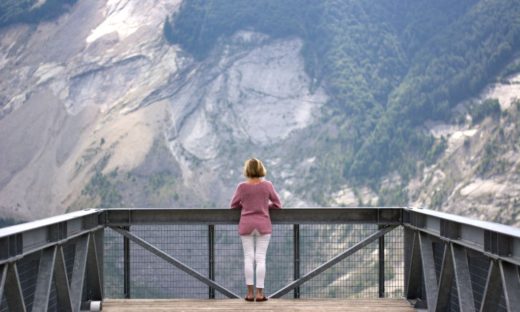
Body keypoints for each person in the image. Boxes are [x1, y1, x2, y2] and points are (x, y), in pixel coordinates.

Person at [230, 158, 282, 302]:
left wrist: (246, 206)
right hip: (263, 224)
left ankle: (249, 294)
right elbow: (278, 204)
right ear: (261, 169)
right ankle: (260, 294)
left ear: (247, 170)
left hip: (246, 224)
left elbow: (233, 205)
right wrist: (264, 207)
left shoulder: (242, 187)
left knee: (248, 258)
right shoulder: (267, 185)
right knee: (260, 258)